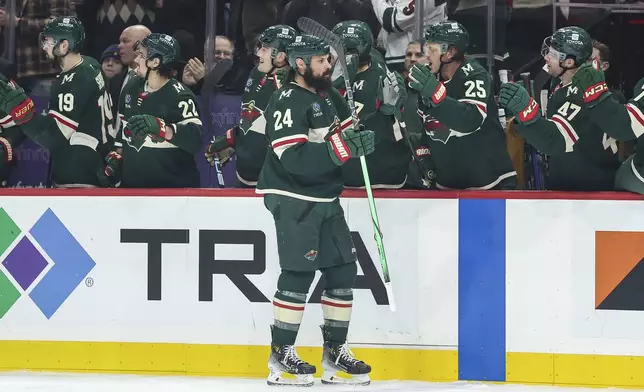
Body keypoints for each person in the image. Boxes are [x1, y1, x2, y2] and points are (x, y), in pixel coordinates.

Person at [256, 34, 374, 387]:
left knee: (341, 271)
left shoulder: (321, 97)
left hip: (325, 198)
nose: (329, 65)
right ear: (301, 64)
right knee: (298, 274)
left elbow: (337, 141)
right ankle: (281, 356)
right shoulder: (288, 99)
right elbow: (293, 159)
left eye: (329, 59)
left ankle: (335, 353)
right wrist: (343, 147)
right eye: (322, 60)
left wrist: (358, 140)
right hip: (294, 198)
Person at [499, 27, 621, 191]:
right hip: (574, 181)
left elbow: (553, 140)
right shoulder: (562, 84)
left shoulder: (581, 93)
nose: (547, 57)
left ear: (569, 62)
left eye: (553, 55)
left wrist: (526, 111)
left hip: (589, 191)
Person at [0, 16, 114, 187]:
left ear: (64, 45)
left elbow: (54, 137)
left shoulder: (72, 80)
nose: (44, 46)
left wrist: (23, 112)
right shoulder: (91, 64)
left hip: (80, 174)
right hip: (97, 160)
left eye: (49, 41)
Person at [409, 21, 516, 190]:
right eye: (426, 49)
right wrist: (424, 157)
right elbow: (428, 125)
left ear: (450, 52)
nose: (426, 55)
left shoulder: (475, 74)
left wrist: (436, 94)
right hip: (448, 184)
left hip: (489, 184)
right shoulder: (430, 79)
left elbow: (470, 120)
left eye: (432, 49)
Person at [103, 33, 203, 188]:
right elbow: (124, 130)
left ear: (155, 62)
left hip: (172, 191)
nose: (136, 60)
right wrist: (117, 157)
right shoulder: (131, 88)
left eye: (141, 56)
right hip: (133, 191)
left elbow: (195, 139)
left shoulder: (180, 95)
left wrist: (162, 128)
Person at [204, 25, 297, 187]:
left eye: (265, 49)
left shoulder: (294, 86)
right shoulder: (256, 73)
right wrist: (232, 141)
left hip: (275, 181)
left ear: (281, 56)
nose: (258, 53)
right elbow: (252, 117)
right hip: (243, 176)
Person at [332, 20, 410, 189]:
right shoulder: (367, 59)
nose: (331, 53)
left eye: (336, 47)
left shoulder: (377, 79)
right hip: (349, 174)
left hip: (377, 175)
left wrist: (334, 89)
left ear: (351, 52)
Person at [571, 56, 644, 194]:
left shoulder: (616, 97)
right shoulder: (561, 94)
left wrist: (594, 93)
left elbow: (625, 126)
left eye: (590, 60)